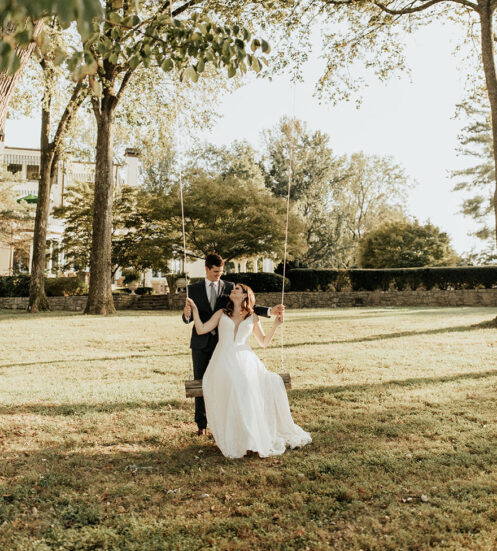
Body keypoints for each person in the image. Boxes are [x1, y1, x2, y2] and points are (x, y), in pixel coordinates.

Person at [186, 283, 311, 458]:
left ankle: (251, 436)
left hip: (246, 358)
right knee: (234, 382)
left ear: (245, 295)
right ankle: (238, 435)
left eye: (237, 289)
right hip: (222, 358)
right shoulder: (221, 313)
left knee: (249, 383)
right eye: (233, 289)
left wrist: (275, 324)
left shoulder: (252, 317)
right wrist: (195, 310)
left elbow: (263, 342)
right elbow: (201, 329)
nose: (232, 290)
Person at [182, 253, 284, 436]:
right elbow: (189, 319)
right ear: (207, 268)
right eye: (215, 272)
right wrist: (188, 313)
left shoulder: (229, 287)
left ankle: (225, 422)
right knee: (201, 381)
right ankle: (202, 424)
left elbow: (247, 307)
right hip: (201, 342)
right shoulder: (193, 289)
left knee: (228, 383)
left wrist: (270, 312)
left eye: (220, 272)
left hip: (223, 343)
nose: (218, 275)